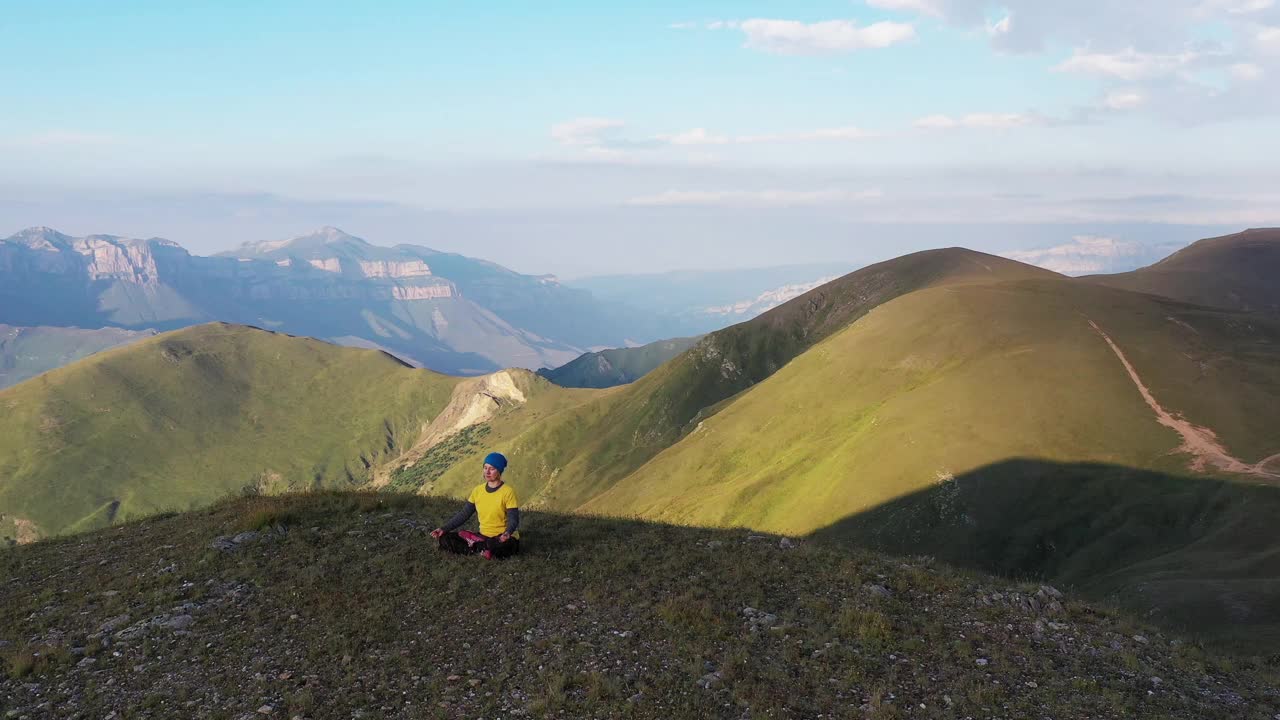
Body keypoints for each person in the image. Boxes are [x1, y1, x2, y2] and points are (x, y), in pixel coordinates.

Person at [430, 452, 520, 559]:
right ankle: (481, 548)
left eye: (492, 469)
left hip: (502, 538)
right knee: (445, 538)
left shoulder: (508, 492)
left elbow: (513, 519)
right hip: (482, 536)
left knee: (503, 546)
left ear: (499, 471)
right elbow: (464, 514)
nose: (487, 472)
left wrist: (507, 533)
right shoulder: (478, 491)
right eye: (485, 468)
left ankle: (476, 547)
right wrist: (443, 529)